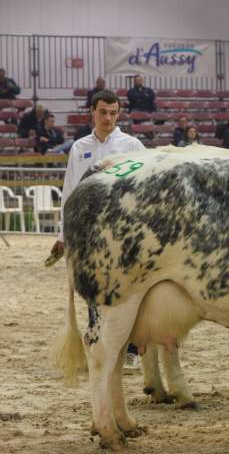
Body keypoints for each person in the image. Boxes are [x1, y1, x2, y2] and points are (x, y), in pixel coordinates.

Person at [50, 89, 146, 370]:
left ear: (119, 113)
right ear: (92, 111)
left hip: (122, 229)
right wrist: (62, 234)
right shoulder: (80, 147)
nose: (108, 117)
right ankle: (98, 340)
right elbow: (69, 191)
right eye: (103, 112)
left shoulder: (132, 145)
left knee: (125, 288)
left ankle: (130, 348)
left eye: (113, 112)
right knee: (93, 287)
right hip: (90, 230)